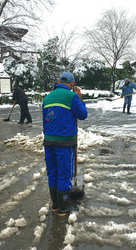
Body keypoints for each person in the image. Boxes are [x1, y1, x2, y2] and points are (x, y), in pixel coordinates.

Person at [42, 72, 88, 216]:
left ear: (58, 81)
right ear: (72, 84)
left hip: (48, 141)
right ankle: (64, 209)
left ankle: (56, 205)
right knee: (64, 174)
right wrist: (79, 99)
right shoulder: (71, 96)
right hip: (64, 142)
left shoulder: (47, 97)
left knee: (53, 172)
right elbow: (82, 115)